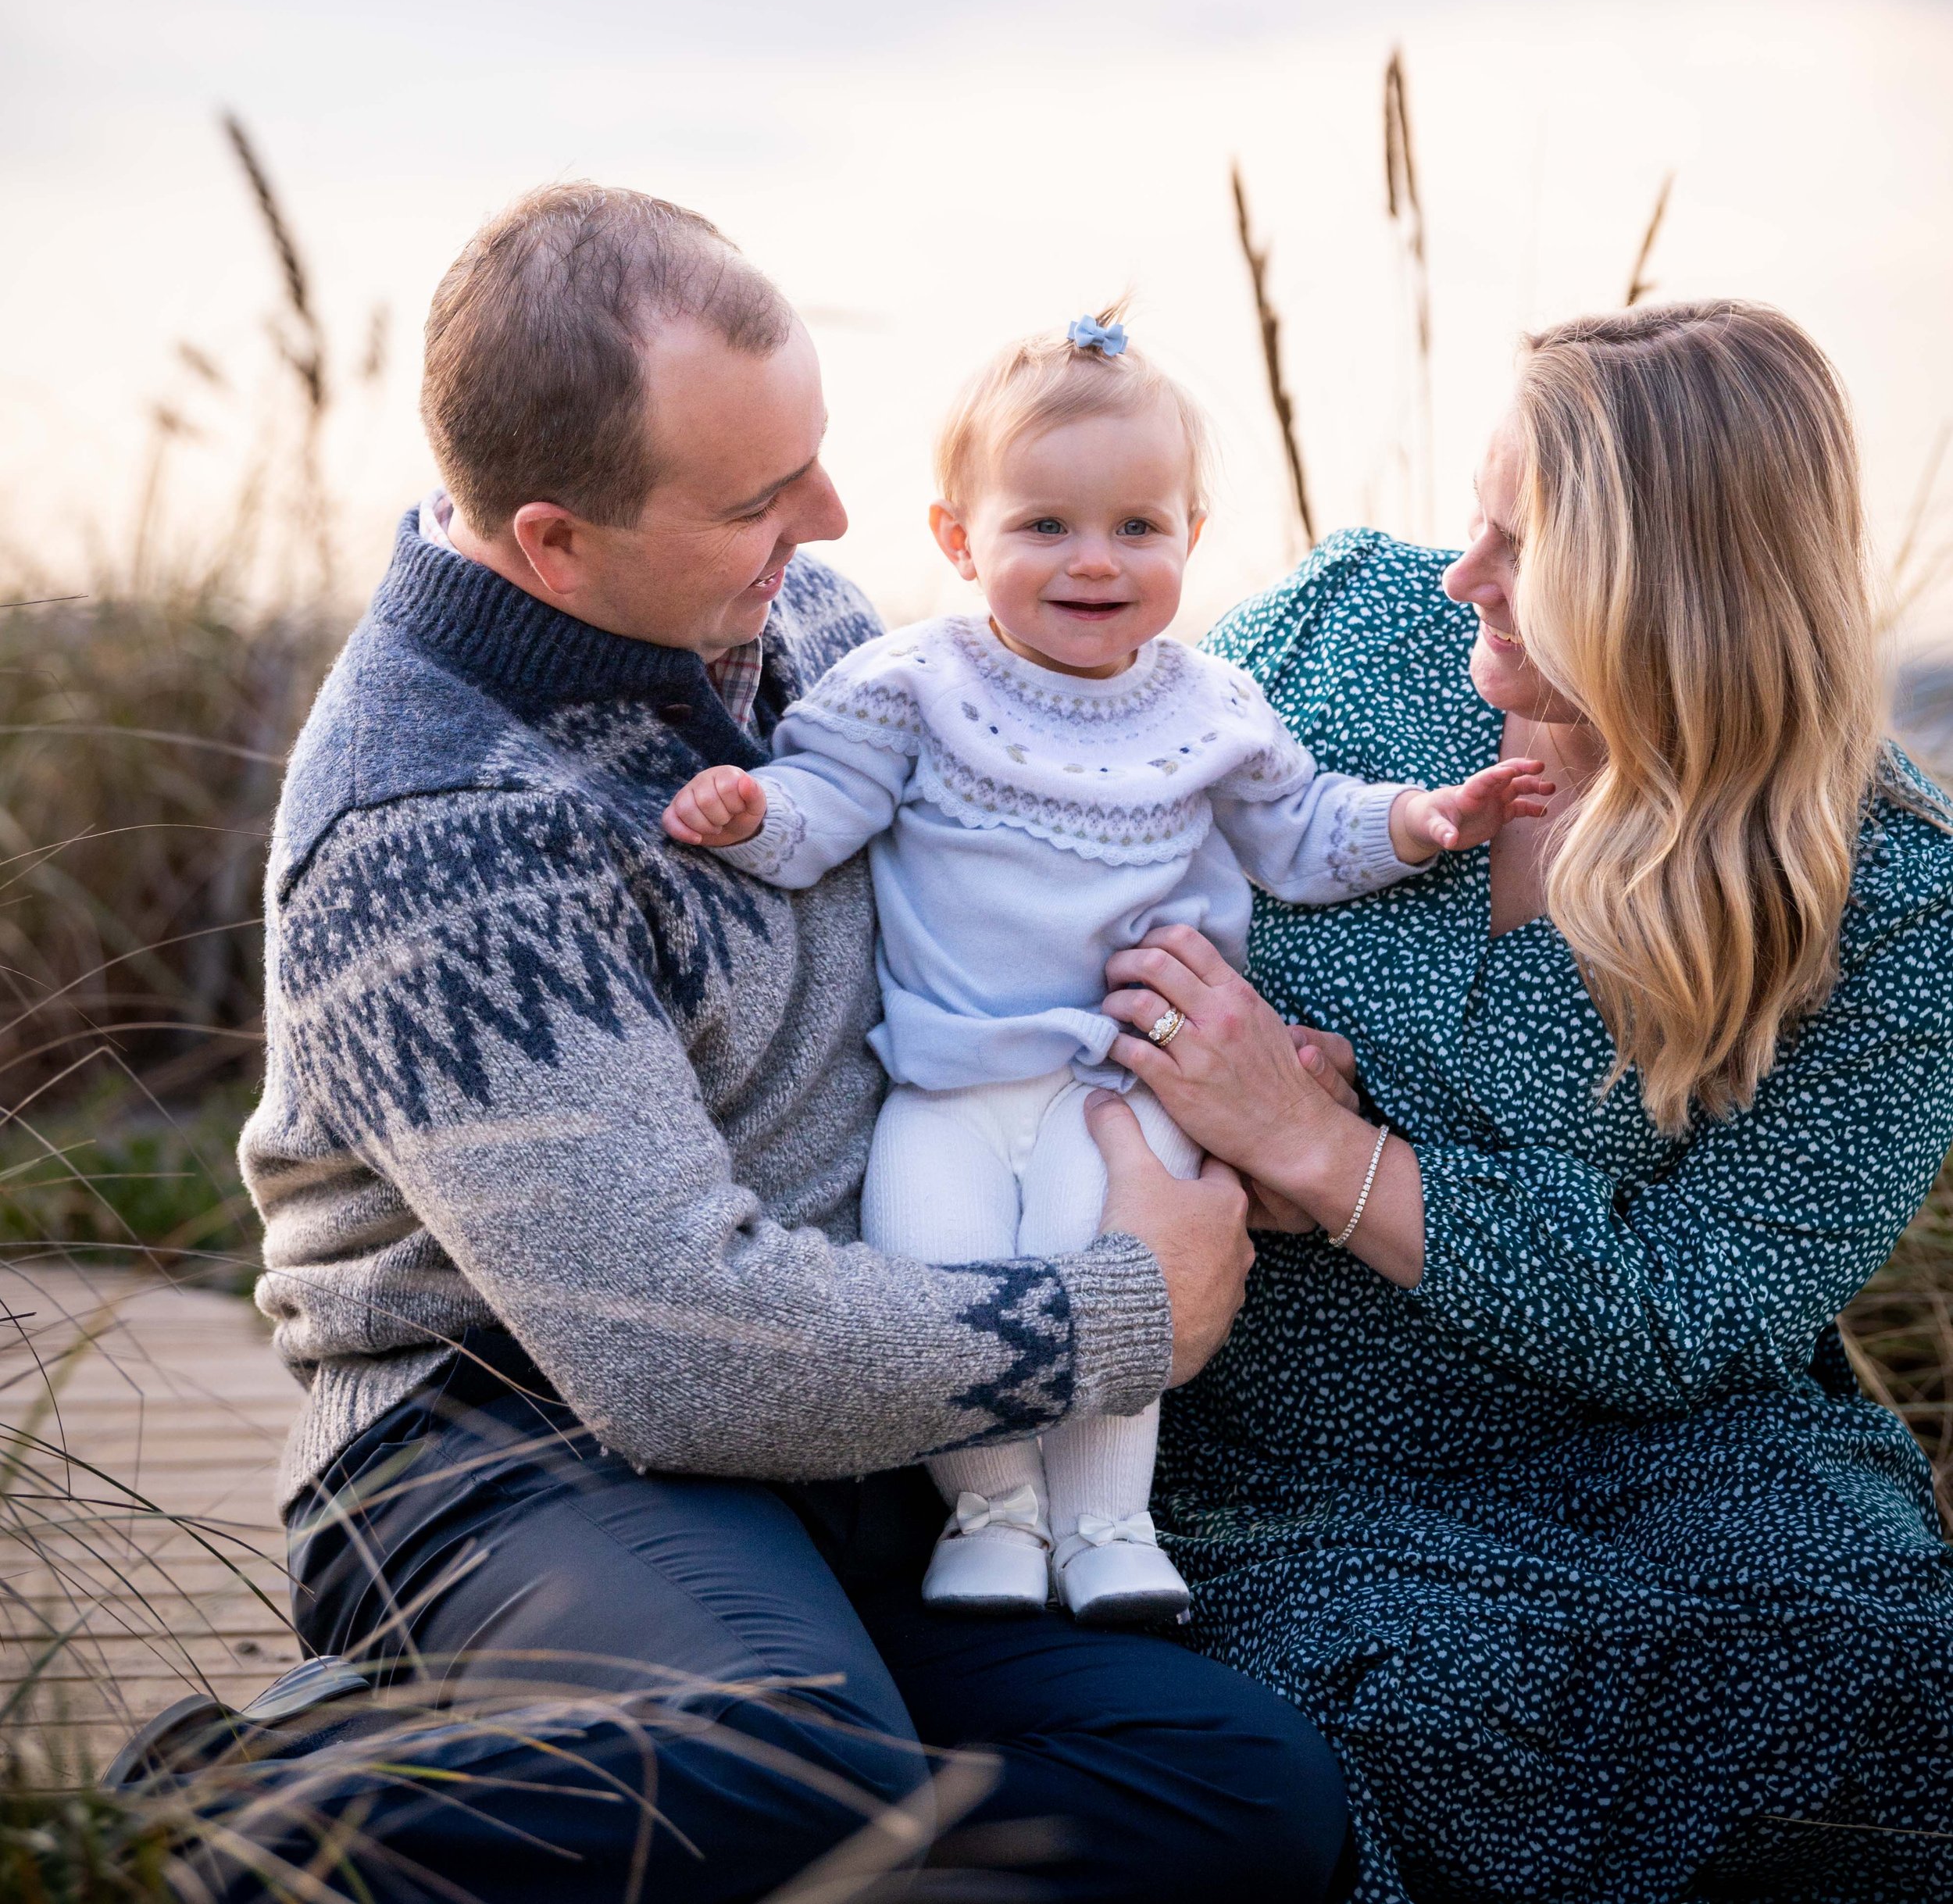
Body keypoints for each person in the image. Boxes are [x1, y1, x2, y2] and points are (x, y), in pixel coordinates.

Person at [237, 184, 1355, 1904]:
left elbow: (1063, 856)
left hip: (843, 1432)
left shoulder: (800, 623)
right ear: (552, 542)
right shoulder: (432, 825)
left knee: (1241, 1795)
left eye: (814, 459)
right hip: (509, 1445)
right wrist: (1118, 1310)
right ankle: (251, 1819)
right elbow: (668, 1345)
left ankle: (644, 1801)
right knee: (773, 1760)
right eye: (762, 497)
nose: (830, 521)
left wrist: (1232, 1090)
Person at [1091, 301, 1953, 1904]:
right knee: (1434, 1700)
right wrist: (1198, 1104)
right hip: (1259, 1458)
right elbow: (1072, 854)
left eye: (1518, 543)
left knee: (1879, 1651)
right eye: (1470, 514)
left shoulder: (1889, 896)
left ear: (1673, 592)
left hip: (1652, 1466)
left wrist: (1324, 1151)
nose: (1454, 571)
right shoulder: (1346, 631)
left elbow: (1690, 1306)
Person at [665, 309, 1546, 1627]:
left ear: (1191, 537)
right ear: (959, 538)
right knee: (943, 1274)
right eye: (1046, 527)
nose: (1096, 561)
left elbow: (1301, 832)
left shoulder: (1211, 708)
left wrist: (1419, 821)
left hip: (1119, 1083)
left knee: (1117, 1269)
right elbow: (824, 806)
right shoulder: (914, 682)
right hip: (948, 1083)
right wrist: (754, 818)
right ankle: (993, 1516)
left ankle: (1110, 1526)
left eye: (1139, 527)